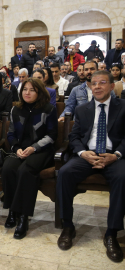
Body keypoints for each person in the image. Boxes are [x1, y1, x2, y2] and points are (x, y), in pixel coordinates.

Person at [57, 70, 125, 263]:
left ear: (112, 86)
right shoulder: (82, 109)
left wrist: (116, 155)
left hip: (114, 156)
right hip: (89, 154)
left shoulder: (123, 107)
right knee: (64, 172)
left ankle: (111, 233)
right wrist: (82, 153)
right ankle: (68, 226)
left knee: (123, 177)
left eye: (102, 82)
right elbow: (75, 137)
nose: (97, 86)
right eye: (93, 83)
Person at [1, 78, 57, 239]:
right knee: (8, 168)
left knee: (26, 171)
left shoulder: (48, 109)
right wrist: (17, 149)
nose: (27, 92)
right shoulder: (16, 109)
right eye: (24, 89)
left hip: (41, 150)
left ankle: (24, 216)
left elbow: (52, 135)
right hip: (20, 149)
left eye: (32, 90)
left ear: (39, 92)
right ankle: (12, 210)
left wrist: (34, 148)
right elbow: (11, 133)